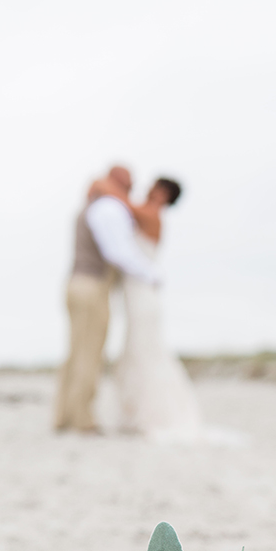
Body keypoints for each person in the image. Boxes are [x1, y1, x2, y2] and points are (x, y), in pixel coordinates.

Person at [85, 175, 209, 440]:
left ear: (163, 194)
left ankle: (155, 415)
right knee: (135, 349)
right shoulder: (147, 214)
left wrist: (104, 185)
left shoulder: (151, 215)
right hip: (136, 292)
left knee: (145, 350)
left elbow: (123, 204)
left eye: (154, 186)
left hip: (143, 294)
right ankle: (136, 413)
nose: (147, 188)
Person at [54, 166, 159, 433]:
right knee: (90, 352)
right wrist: (150, 274)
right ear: (119, 180)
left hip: (76, 282)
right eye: (130, 181)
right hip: (92, 286)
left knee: (76, 351)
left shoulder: (90, 207)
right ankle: (82, 419)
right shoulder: (108, 208)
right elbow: (118, 252)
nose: (133, 186)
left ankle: (64, 416)